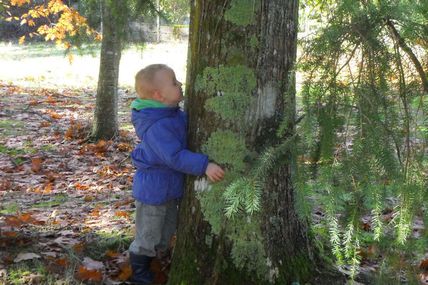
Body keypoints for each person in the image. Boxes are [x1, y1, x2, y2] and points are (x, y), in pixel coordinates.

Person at [128, 64, 225, 284]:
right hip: (153, 192)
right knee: (148, 235)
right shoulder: (156, 125)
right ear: (158, 95)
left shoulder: (170, 113)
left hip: (169, 189)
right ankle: (140, 274)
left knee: (165, 232)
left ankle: (157, 263)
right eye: (174, 82)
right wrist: (204, 165)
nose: (180, 84)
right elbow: (174, 156)